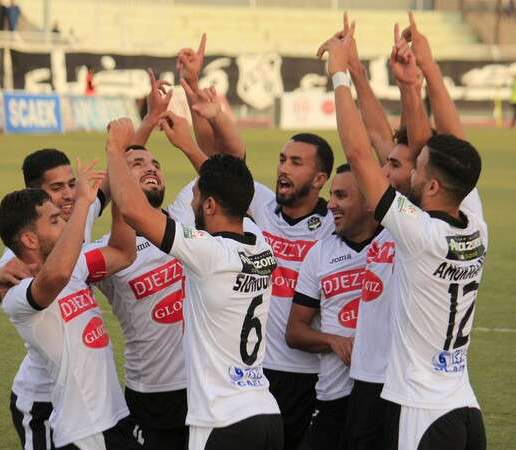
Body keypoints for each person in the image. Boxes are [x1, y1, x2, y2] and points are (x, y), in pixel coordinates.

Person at [319, 18, 488, 450]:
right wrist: (420, 76)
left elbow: (359, 153)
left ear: (431, 186)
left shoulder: (419, 234)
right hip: (463, 404)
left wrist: (340, 75)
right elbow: (447, 145)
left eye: (415, 168)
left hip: (420, 407)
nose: (405, 170)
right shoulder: (475, 222)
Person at [177, 35, 334, 450]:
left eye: (296, 163)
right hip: (258, 373)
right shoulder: (261, 207)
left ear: (320, 179)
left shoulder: (333, 225)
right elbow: (221, 166)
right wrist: (194, 91)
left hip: (310, 375)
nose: (283, 169)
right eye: (282, 159)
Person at [106, 118, 283, 450]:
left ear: (210, 205)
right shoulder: (259, 241)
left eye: (197, 198)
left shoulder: (209, 254)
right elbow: (229, 189)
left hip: (222, 421)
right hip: (266, 414)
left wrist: (115, 150)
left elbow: (132, 209)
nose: (191, 204)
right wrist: (188, 145)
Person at [0, 149, 109, 450]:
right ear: (36, 194)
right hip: (43, 397)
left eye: (72, 184)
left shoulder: (74, 217)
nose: (69, 194)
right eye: (57, 188)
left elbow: (109, 189)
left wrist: (134, 139)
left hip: (78, 395)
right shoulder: (24, 252)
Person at [0, 159, 137, 449]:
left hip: (115, 417)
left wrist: (123, 188)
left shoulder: (76, 263)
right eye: (54, 220)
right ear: (29, 240)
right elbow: (56, 276)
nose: (64, 222)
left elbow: (124, 253)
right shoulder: (17, 293)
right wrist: (83, 202)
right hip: (84, 432)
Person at [92, 71, 192, 450]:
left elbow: (227, 168)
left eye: (156, 164)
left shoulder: (184, 215)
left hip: (202, 384)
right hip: (151, 393)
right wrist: (124, 150)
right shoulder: (108, 252)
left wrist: (153, 119)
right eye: (137, 165)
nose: (150, 167)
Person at [286, 163, 384, 450]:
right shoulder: (320, 253)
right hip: (333, 399)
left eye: (341, 196)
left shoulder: (394, 245)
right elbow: (295, 331)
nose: (330, 205)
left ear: (370, 201)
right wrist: (333, 340)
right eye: (331, 195)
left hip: (382, 397)